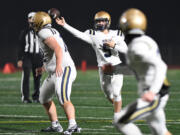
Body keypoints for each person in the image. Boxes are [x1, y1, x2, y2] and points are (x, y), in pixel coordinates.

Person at [107, 8, 172, 135]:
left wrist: (152, 92)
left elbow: (161, 66)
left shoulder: (136, 47)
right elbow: (136, 70)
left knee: (120, 121)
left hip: (154, 95)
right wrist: (115, 69)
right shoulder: (147, 41)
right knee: (161, 131)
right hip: (157, 93)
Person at [56, 11, 128, 122]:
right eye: (98, 21)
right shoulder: (92, 34)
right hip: (103, 69)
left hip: (116, 66)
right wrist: (65, 25)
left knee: (117, 93)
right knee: (108, 95)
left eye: (102, 20)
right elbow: (78, 34)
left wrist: (114, 45)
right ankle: (119, 109)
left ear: (108, 21)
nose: (100, 23)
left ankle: (117, 116)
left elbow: (126, 50)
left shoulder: (117, 34)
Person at [33, 11, 81, 134]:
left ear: (40, 23)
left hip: (64, 68)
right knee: (43, 97)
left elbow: (58, 49)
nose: (32, 24)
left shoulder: (43, 32)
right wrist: (44, 67)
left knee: (62, 96)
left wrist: (59, 66)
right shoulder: (49, 31)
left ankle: (73, 125)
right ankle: (55, 125)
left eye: (34, 22)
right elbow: (49, 55)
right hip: (54, 71)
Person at [17, 12, 43, 103]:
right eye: (31, 18)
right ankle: (25, 97)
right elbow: (20, 46)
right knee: (26, 76)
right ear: (28, 19)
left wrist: (45, 59)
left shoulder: (42, 31)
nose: (32, 20)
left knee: (38, 77)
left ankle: (37, 97)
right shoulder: (24, 32)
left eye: (34, 18)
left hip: (38, 56)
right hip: (27, 56)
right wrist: (19, 59)